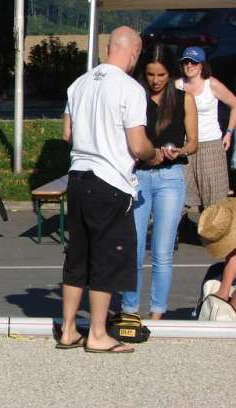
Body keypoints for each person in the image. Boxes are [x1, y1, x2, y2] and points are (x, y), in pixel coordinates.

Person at [58, 26, 155, 354]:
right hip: (110, 182)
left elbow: (67, 133)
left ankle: (69, 329)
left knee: (77, 257)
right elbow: (138, 145)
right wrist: (155, 154)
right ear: (133, 52)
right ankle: (98, 334)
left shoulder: (79, 84)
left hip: (78, 176)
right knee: (105, 258)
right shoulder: (130, 89)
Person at [121, 44, 197, 320]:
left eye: (161, 75)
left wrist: (180, 150)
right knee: (135, 246)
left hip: (170, 177)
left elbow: (194, 142)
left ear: (170, 73)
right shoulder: (135, 96)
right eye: (151, 74)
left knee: (163, 250)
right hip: (138, 176)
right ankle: (130, 308)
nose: (155, 80)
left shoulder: (182, 97)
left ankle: (157, 312)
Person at [176, 47, 236, 211]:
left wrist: (229, 134)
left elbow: (234, 104)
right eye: (186, 62)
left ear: (202, 65)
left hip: (210, 145)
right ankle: (187, 233)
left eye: (193, 62)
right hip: (185, 146)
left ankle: (216, 234)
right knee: (186, 197)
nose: (189, 65)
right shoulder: (177, 85)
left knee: (214, 198)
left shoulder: (212, 84)